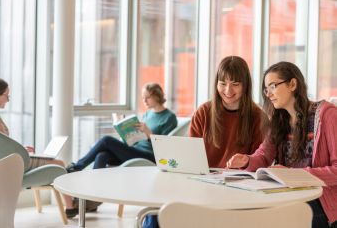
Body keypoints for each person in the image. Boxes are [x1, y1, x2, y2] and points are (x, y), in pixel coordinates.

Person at [143, 56, 268, 228]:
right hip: (200, 184)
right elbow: (188, 158)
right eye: (222, 83)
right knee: (156, 213)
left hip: (235, 190)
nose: (228, 90)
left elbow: (259, 163)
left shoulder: (258, 117)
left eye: (235, 84)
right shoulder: (203, 112)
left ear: (245, 85)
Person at [227, 62, 337, 228]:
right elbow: (263, 156)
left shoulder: (326, 115)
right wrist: (247, 161)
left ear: (292, 84)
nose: (269, 94)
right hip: (288, 196)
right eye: (266, 89)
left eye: (273, 86)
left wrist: (293, 175)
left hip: (320, 201)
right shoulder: (279, 120)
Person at [0, 78, 78, 218]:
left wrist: (21, 148)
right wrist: (21, 151)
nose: (8, 99)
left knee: (49, 160)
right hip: (9, 167)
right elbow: (2, 150)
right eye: (6, 95)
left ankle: (72, 204)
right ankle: (71, 207)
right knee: (59, 164)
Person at [66, 82, 178, 172]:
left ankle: (77, 167)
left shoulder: (169, 117)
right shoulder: (147, 114)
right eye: (143, 98)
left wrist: (149, 134)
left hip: (149, 156)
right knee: (102, 155)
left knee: (106, 140)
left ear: (157, 96)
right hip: (134, 150)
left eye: (147, 97)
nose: (144, 101)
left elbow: (165, 149)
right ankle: (93, 196)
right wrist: (125, 134)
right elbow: (138, 140)